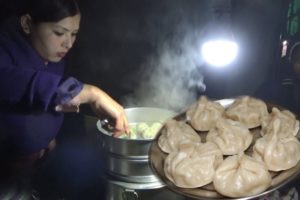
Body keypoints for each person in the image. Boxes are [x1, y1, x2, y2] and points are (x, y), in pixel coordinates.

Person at [0, 0, 129, 185]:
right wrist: (91, 93)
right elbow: (20, 83)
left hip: (44, 157)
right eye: (59, 33)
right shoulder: (5, 49)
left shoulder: (50, 52)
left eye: (74, 34)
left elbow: (50, 100)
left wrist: (47, 139)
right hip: (9, 172)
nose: (68, 43)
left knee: (95, 167)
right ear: (27, 24)